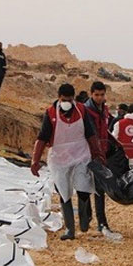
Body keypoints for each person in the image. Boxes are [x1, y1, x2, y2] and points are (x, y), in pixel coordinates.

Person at [31, 83, 105, 240]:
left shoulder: (81, 110)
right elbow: (42, 138)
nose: (67, 103)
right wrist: (35, 160)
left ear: (73, 99)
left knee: (83, 187)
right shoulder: (50, 113)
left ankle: (84, 219)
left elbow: (91, 134)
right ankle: (70, 230)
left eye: (70, 100)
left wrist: (97, 153)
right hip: (59, 157)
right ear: (59, 98)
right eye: (64, 100)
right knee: (64, 192)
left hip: (80, 153)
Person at [84, 81, 113, 232]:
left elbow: (104, 130)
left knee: (99, 188)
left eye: (102, 95)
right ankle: (87, 217)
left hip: (101, 152)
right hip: (89, 153)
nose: (99, 98)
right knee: (86, 186)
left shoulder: (105, 110)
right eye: (96, 95)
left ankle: (101, 222)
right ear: (91, 94)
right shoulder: (86, 110)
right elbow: (90, 134)